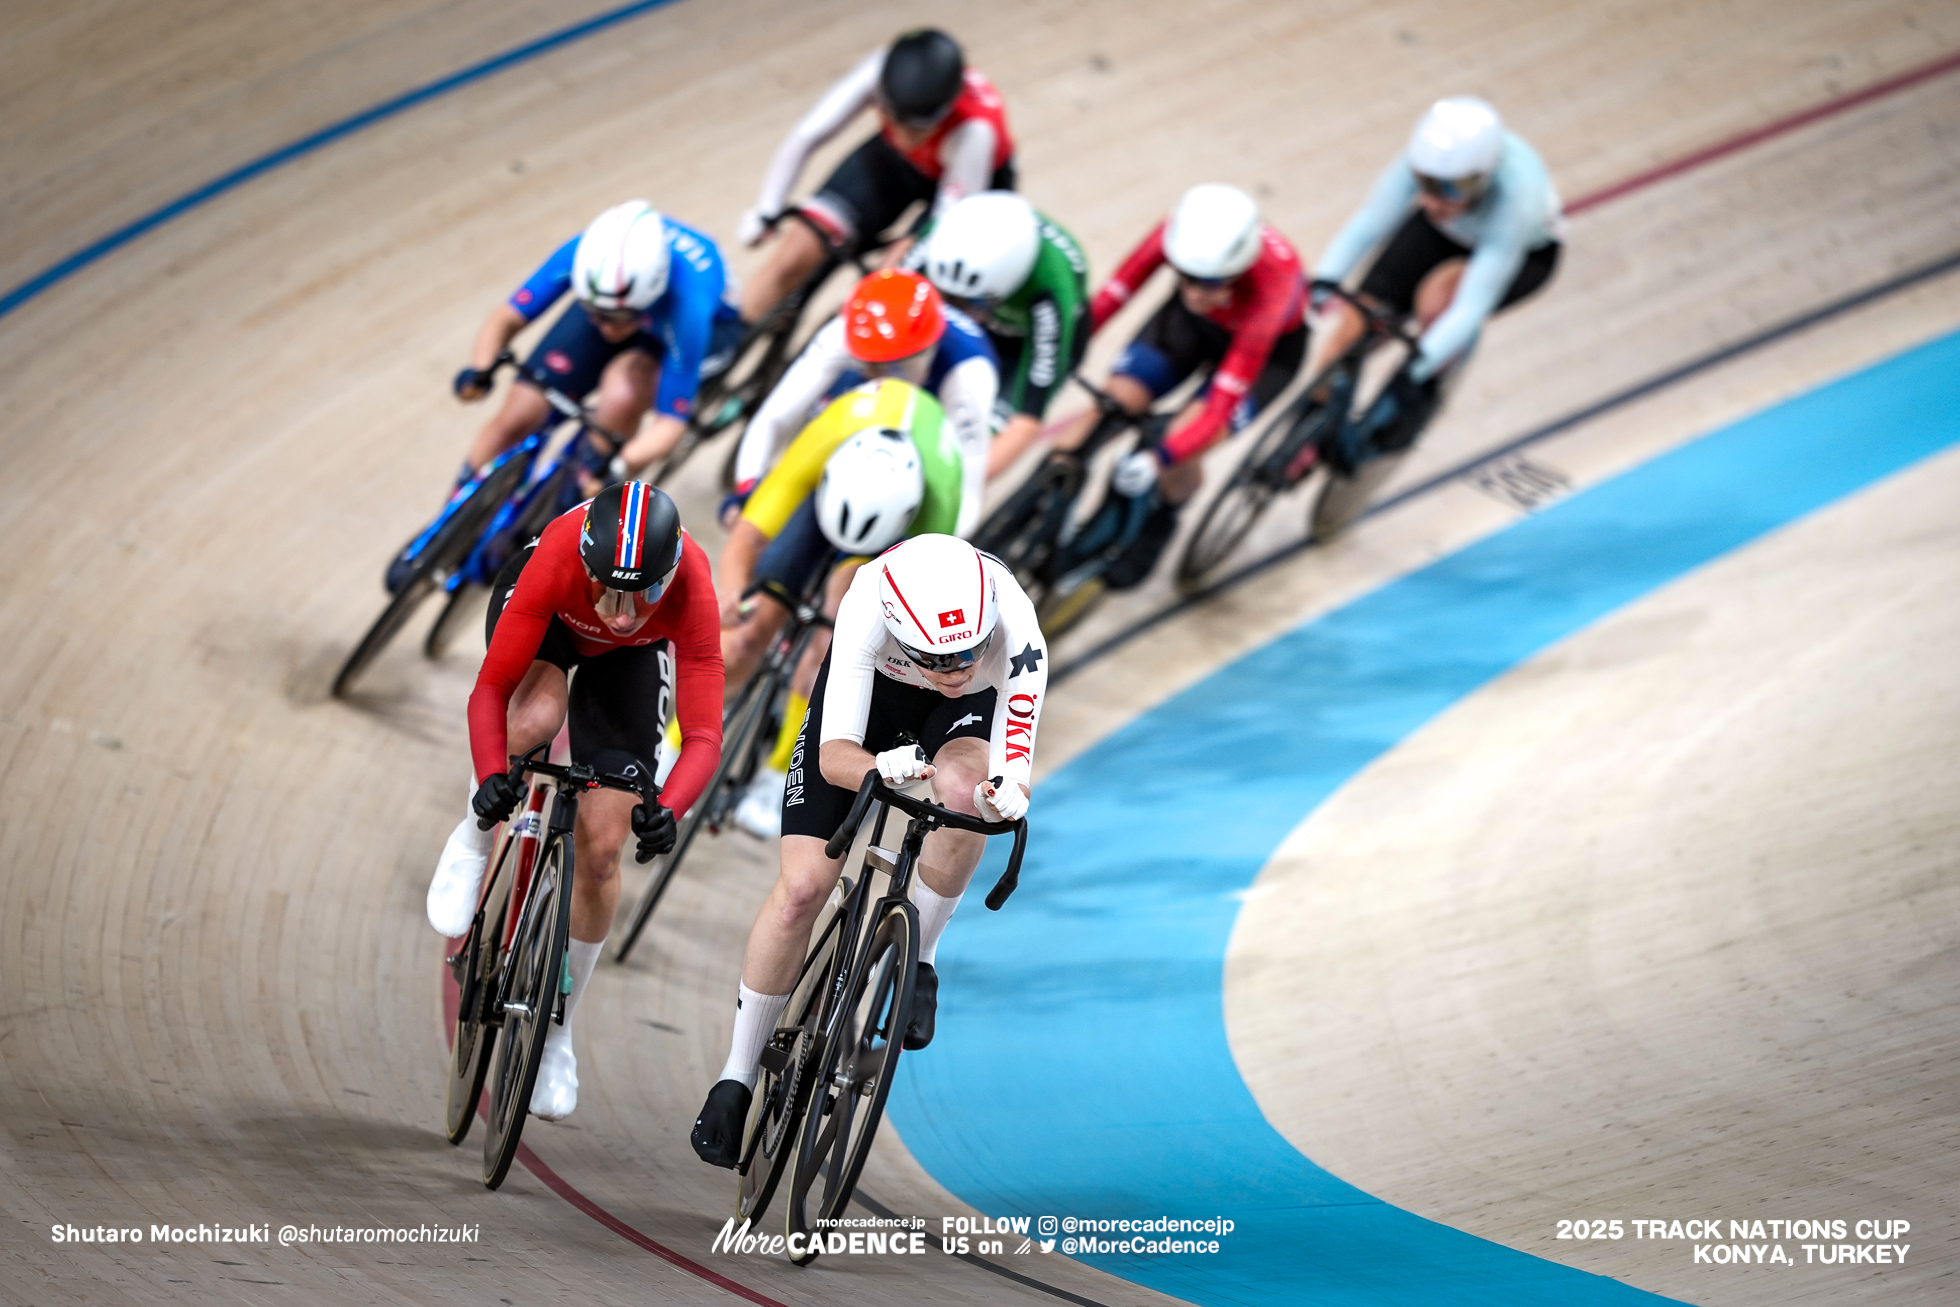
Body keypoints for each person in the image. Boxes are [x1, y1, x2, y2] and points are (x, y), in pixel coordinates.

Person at [689, 533, 1048, 1167]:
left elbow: (1013, 761)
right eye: (939, 661)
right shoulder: (865, 603)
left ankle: (922, 959)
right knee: (803, 888)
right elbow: (834, 759)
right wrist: (881, 768)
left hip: (963, 720)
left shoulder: (1017, 628)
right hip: (871, 707)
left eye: (970, 654)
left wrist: (1009, 792)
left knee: (964, 797)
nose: (958, 671)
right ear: (898, 630)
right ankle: (737, 1076)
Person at [424, 481, 723, 1120]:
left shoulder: (693, 585)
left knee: (605, 849)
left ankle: (558, 1033)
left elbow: (702, 735)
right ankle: (473, 836)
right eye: (607, 588)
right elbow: (491, 688)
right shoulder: (560, 555)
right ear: (587, 565)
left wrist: (669, 805)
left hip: (632, 663)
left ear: (669, 574)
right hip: (549, 620)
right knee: (532, 715)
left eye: (641, 592)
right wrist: (486, 780)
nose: (620, 610)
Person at [389, 201, 741, 589]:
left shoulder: (688, 304)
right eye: (594, 312)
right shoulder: (584, 255)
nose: (604, 327)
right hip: (632, 302)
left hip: (690, 330)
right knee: (518, 415)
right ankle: (449, 525)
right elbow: (506, 318)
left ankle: (570, 507)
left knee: (623, 392)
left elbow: (671, 422)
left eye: (614, 318)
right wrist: (481, 369)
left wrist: (621, 464)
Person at [718, 378, 970, 838]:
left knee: (829, 647)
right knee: (748, 630)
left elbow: (913, 607)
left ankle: (779, 776)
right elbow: (747, 537)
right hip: (827, 500)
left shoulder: (939, 505)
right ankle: (678, 741)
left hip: (892, 536)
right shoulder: (825, 437)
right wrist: (734, 600)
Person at [1304, 96, 1562, 525]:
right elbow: (1368, 223)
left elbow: (1472, 302)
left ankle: (1401, 422)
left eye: (1452, 189)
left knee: (1438, 304)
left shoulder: (1518, 197)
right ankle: (1310, 426)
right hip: (1441, 233)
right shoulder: (1432, 176)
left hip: (1515, 255)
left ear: (1484, 177)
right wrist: (1324, 280)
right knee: (1355, 324)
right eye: (1425, 182)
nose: (1434, 196)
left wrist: (1416, 369)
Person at [1055, 183, 1308, 592]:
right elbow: (1113, 296)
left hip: (1265, 350)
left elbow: (1221, 403)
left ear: (1239, 269)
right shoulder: (1179, 234)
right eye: (1185, 277)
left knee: (1180, 441)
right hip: (1192, 326)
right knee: (1113, 402)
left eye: (1209, 283)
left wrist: (1161, 459)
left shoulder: (1271, 284)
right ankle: (1050, 494)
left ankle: (1163, 519)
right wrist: (1064, 352)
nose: (1193, 291)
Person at [733, 28, 1016, 325]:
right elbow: (806, 137)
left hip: (968, 185)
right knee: (796, 250)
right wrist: (767, 211)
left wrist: (872, 289)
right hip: (894, 161)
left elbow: (942, 232)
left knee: (892, 291)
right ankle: (727, 344)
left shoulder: (974, 131)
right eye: (896, 120)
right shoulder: (876, 73)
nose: (906, 135)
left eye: (918, 128)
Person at [728, 269, 995, 535]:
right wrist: (748, 489)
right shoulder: (844, 333)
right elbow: (776, 416)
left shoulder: (969, 374)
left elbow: (966, 486)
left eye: (897, 365)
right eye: (871, 365)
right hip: (862, 389)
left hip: (931, 409)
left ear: (929, 349)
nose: (881, 375)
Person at [915, 191, 1091, 476]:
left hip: (1022, 348)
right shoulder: (941, 238)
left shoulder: (1050, 288)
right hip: (993, 323)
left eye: (974, 304)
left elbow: (1026, 421)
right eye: (948, 297)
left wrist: (960, 488)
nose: (958, 313)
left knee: (973, 439)